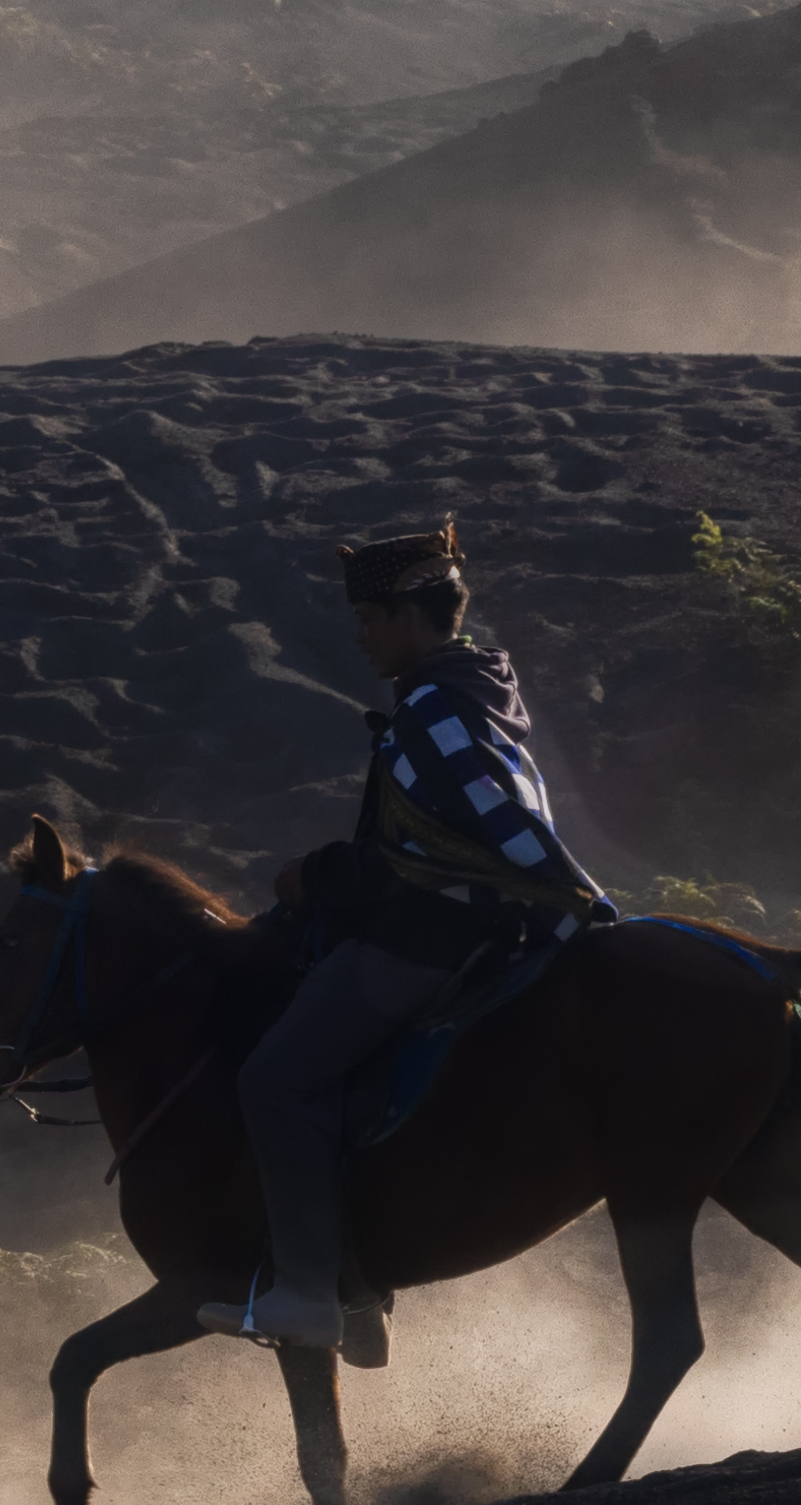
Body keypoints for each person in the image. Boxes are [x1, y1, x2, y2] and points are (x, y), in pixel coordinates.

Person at [238, 524, 608, 1361]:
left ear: (409, 617)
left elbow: (437, 848)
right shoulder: (477, 688)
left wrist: (317, 874)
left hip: (426, 939)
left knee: (274, 1081)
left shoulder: (434, 710)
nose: (359, 636)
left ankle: (310, 1291)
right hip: (458, 924)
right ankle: (355, 1284)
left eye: (368, 618)